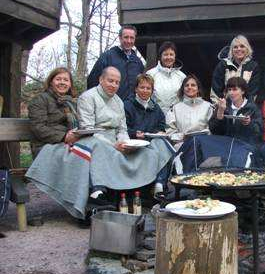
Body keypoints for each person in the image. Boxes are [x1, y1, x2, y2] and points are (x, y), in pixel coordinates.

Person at [27, 67, 172, 219]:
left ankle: (151, 189)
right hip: (92, 140)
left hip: (111, 141)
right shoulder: (87, 97)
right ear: (101, 80)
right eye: (110, 81)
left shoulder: (117, 101)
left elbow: (122, 128)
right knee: (95, 146)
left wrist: (124, 142)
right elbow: (86, 129)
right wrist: (65, 136)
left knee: (150, 149)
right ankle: (98, 193)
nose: (113, 85)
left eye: (117, 82)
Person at [123, 74, 174, 195]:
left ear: (152, 91)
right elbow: (122, 127)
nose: (145, 91)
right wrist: (134, 133)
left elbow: (161, 125)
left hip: (151, 141)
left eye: (148, 88)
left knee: (162, 144)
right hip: (134, 142)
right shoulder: (127, 105)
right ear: (136, 89)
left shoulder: (155, 108)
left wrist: (159, 132)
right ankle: (158, 184)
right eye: (142, 87)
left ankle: (159, 184)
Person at [87, 25, 146, 100]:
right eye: (126, 37)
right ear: (120, 38)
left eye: (132, 38)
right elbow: (92, 82)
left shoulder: (137, 62)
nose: (129, 41)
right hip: (110, 106)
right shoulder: (107, 57)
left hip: (132, 108)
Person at [210, 34, 261, 104]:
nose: (239, 49)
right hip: (224, 108)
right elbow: (216, 89)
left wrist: (246, 108)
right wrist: (222, 107)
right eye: (235, 47)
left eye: (242, 46)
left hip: (246, 109)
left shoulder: (253, 66)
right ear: (231, 50)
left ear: (247, 48)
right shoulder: (223, 65)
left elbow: (253, 92)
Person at [166, 74, 213, 147]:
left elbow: (213, 128)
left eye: (193, 85)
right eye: (187, 85)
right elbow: (170, 132)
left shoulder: (208, 106)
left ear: (198, 88)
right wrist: (182, 137)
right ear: (183, 89)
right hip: (182, 146)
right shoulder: (175, 108)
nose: (189, 87)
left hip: (204, 144)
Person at [146, 41, 186, 115]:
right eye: (165, 54)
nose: (168, 57)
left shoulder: (182, 76)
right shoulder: (150, 74)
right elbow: (145, 96)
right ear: (160, 56)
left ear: (175, 56)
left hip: (176, 117)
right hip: (155, 117)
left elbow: (185, 98)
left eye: (171, 54)